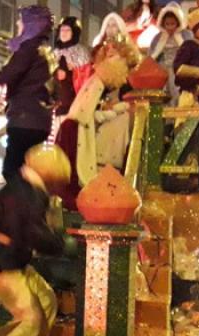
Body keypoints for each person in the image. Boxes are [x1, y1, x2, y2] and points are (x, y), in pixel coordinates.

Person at [0, 143, 70, 336]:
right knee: (30, 319)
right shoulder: (26, 193)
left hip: (11, 260)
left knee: (47, 301)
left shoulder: (27, 188)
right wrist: (59, 245)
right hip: (1, 263)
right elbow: (31, 230)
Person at [56, 39, 140, 209]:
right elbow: (84, 114)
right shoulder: (96, 86)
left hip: (108, 161)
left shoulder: (117, 91)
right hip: (95, 158)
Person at [0, 5, 54, 181]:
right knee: (30, 171)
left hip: (25, 119)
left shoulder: (29, 48)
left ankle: (19, 206)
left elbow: (11, 72)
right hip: (39, 121)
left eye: (21, 20)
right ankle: (32, 204)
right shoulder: (45, 50)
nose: (18, 23)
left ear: (31, 24)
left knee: (13, 170)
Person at [50, 17, 92, 142]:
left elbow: (86, 76)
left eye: (67, 30)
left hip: (73, 103)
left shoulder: (81, 52)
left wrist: (70, 73)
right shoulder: (54, 52)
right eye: (62, 30)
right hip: (56, 104)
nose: (64, 33)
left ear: (74, 32)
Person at [149, 2, 191, 106]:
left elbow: (191, 51)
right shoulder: (158, 38)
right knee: (164, 92)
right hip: (163, 68)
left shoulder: (186, 35)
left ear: (178, 23)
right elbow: (151, 56)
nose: (170, 27)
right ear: (163, 23)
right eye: (167, 24)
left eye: (173, 24)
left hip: (179, 69)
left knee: (177, 90)